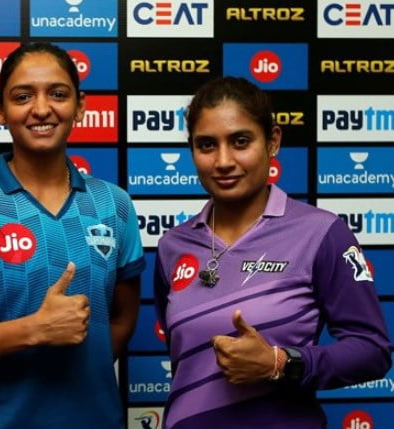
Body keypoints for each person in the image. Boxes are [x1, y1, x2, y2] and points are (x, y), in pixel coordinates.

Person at [0, 41, 145, 428]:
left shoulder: (114, 205)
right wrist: (35, 330)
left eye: (58, 94)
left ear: (80, 106)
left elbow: (121, 321)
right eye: (23, 96)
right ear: (0, 109)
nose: (41, 109)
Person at [153, 76, 391, 429]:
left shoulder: (321, 233)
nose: (223, 160)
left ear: (273, 141)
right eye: (207, 145)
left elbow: (372, 350)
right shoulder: (173, 245)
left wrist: (281, 362)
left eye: (240, 141)